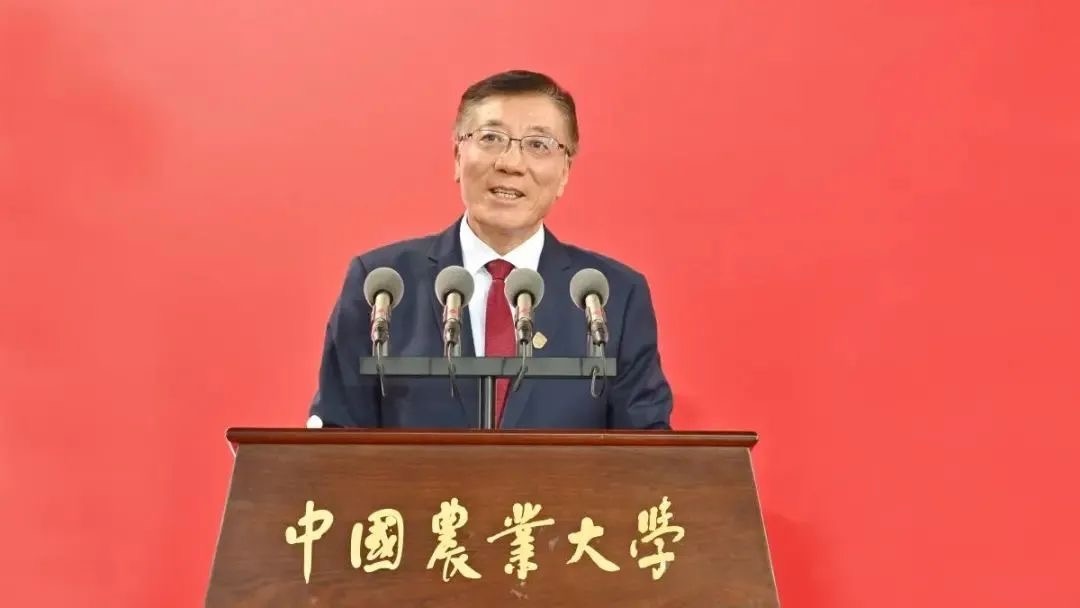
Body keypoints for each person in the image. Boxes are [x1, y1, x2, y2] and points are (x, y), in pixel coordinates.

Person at [307, 70, 672, 429]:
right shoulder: (381, 287)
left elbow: (645, 450)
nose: (510, 164)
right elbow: (337, 437)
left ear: (564, 172)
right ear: (457, 156)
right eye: (491, 138)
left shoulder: (613, 297)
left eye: (538, 145)